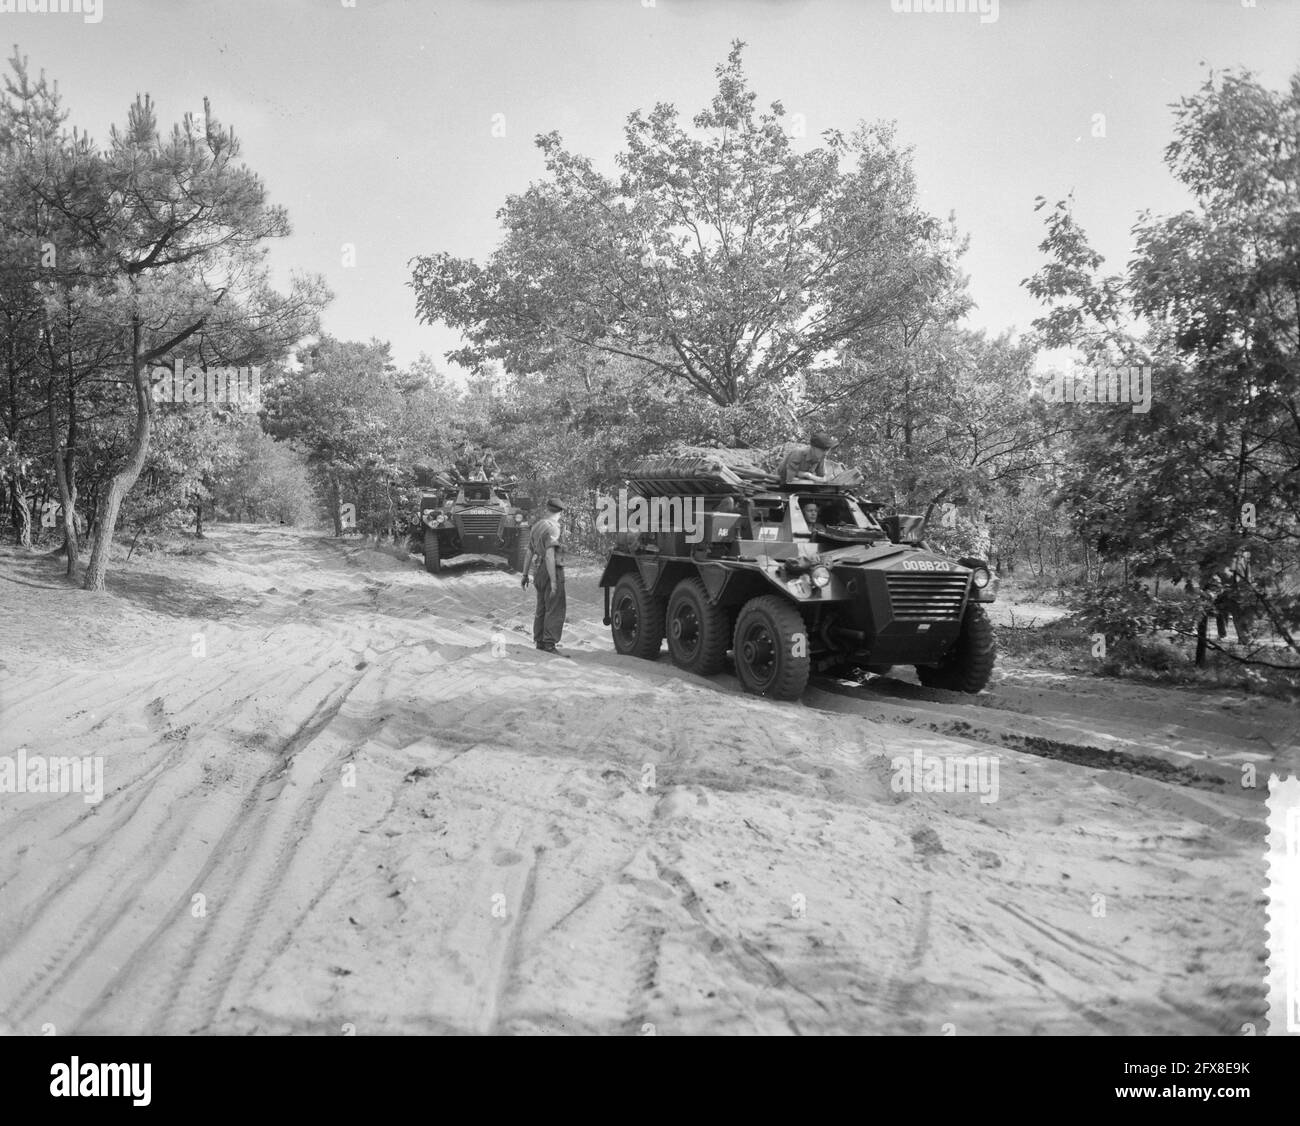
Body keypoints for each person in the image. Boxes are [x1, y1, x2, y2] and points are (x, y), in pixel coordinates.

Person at [521, 497, 567, 654]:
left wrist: (525, 574)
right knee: (554, 607)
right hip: (550, 569)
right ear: (560, 512)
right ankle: (549, 644)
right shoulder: (553, 528)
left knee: (541, 606)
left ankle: (539, 641)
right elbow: (549, 555)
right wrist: (554, 580)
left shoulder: (537, 526)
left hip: (538, 569)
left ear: (547, 509)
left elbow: (529, 552)